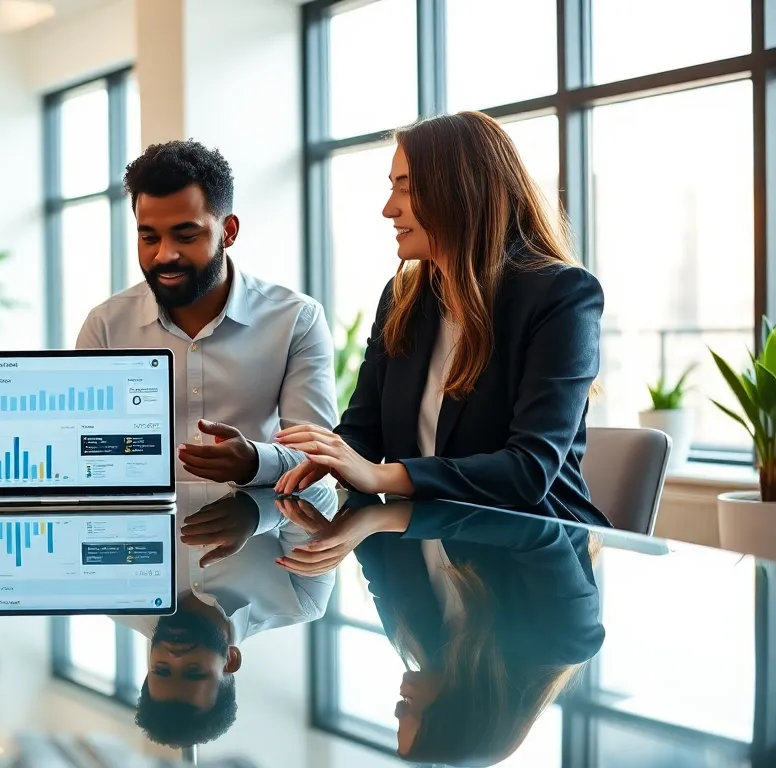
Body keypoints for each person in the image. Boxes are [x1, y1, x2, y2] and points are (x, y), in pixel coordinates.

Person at [276, 112, 608, 527]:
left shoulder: (562, 296)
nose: (388, 209)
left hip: (535, 552)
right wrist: (333, 455)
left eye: (406, 189)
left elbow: (528, 472)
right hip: (421, 547)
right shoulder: (402, 301)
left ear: (461, 192)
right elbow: (364, 429)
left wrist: (380, 475)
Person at [76, 140, 337, 487]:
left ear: (228, 231)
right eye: (149, 238)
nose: (164, 255)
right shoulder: (105, 326)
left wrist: (255, 462)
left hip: (261, 533)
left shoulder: (295, 320)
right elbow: (78, 444)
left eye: (185, 235)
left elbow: (318, 454)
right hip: (140, 535)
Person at [278, 493, 603, 765]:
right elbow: (538, 528)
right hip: (500, 456)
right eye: (409, 711)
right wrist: (390, 518)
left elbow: (364, 521)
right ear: (459, 713)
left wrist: (336, 533)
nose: (397, 703)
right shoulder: (565, 640)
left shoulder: (408, 634)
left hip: (411, 451)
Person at [119, 482, 336, 747]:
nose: (174, 656)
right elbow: (319, 495)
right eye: (193, 671)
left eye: (162, 670)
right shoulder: (301, 599)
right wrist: (256, 513)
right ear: (230, 661)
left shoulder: (111, 598)